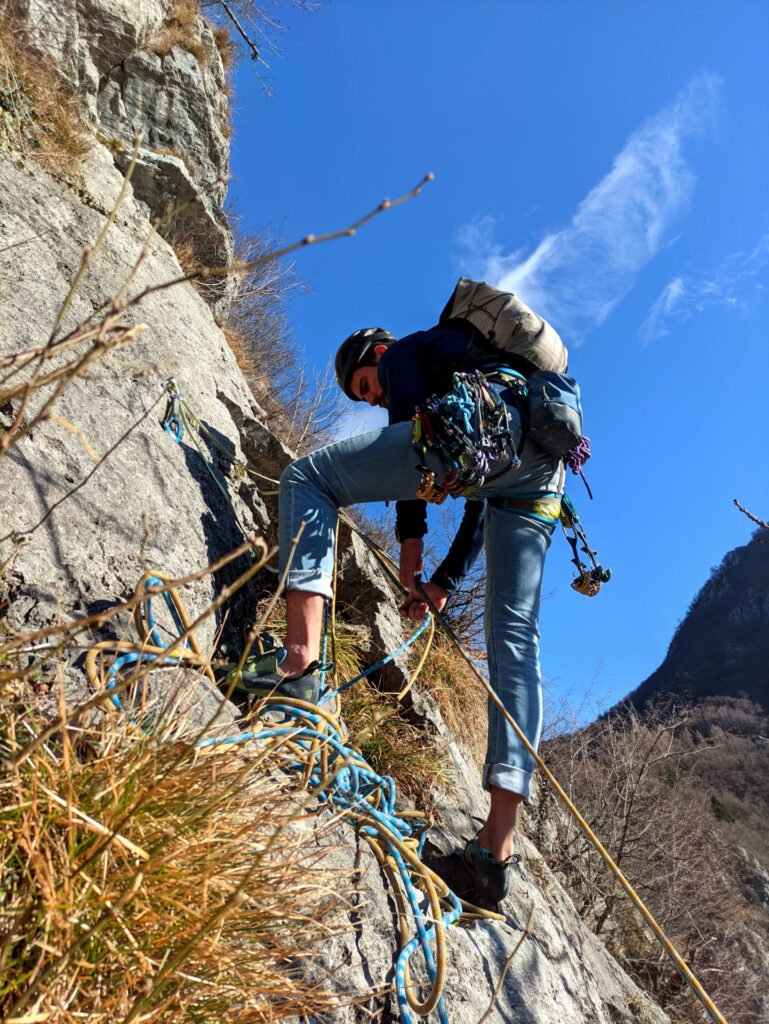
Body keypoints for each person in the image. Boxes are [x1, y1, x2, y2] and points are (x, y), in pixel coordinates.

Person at [225, 320, 564, 904]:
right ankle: (493, 856)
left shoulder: (403, 355)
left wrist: (411, 560)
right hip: (542, 464)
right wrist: (441, 585)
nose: (373, 396)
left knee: (309, 479)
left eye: (365, 385)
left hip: (488, 433)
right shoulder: (478, 371)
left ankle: (299, 665)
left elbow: (419, 456)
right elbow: (483, 501)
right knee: (515, 642)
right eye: (365, 395)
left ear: (374, 354)